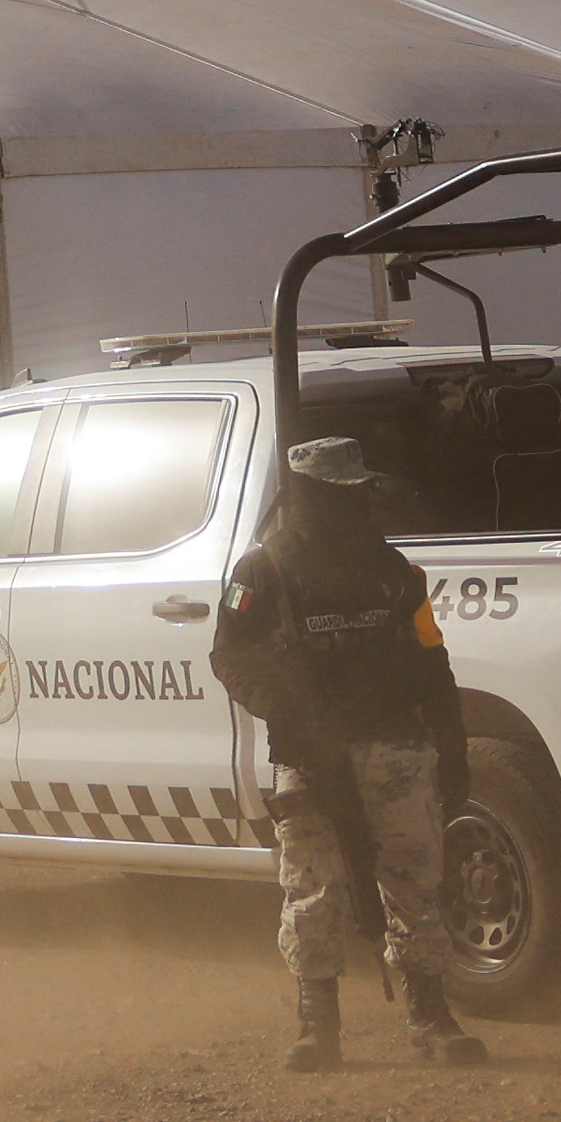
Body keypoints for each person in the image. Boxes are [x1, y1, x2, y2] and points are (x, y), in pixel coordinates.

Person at [208, 432, 487, 1072]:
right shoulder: (262, 570)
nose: (358, 503)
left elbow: (430, 658)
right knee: (314, 889)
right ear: (311, 495)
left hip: (398, 747)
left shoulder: (392, 570)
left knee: (416, 883)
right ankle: (318, 1025)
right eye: (344, 493)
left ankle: (431, 1017)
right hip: (310, 757)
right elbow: (230, 653)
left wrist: (452, 744)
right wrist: (288, 711)